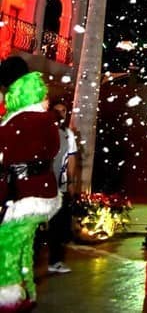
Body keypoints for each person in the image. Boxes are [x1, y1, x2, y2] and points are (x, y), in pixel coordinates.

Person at [0, 66, 60, 312]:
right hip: (41, 192)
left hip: (21, 196)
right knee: (25, 245)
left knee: (7, 246)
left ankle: (8, 298)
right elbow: (52, 149)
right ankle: (27, 291)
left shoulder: (17, 122)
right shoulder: (46, 120)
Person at [47, 100, 79, 275]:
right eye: (57, 111)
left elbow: (72, 158)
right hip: (42, 185)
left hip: (59, 186)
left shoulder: (67, 134)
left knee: (57, 225)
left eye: (63, 111)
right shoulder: (44, 130)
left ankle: (55, 260)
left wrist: (71, 183)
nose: (60, 114)